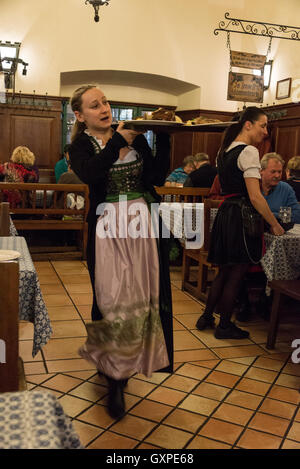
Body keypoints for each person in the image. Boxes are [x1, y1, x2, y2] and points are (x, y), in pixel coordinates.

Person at [68, 85, 173, 420]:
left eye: (106, 102)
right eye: (95, 105)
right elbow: (92, 173)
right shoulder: (80, 146)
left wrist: (164, 136)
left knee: (140, 296)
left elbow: (156, 175)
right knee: (110, 299)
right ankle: (112, 376)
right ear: (80, 115)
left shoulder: (133, 137)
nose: (104, 108)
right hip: (108, 227)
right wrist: (119, 141)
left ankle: (122, 370)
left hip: (141, 226)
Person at [195, 106, 284, 340]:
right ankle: (224, 325)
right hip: (241, 216)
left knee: (224, 271)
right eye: (262, 125)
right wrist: (274, 223)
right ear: (248, 125)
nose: (265, 131)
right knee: (236, 273)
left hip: (227, 213)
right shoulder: (249, 152)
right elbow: (255, 196)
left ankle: (207, 316)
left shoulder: (223, 151)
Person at [261, 153, 300, 223]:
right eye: (273, 172)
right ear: (261, 171)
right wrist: (282, 215)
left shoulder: (286, 189)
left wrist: (271, 215)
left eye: (279, 172)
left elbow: (297, 216)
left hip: (280, 232)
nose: (277, 175)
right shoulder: (253, 188)